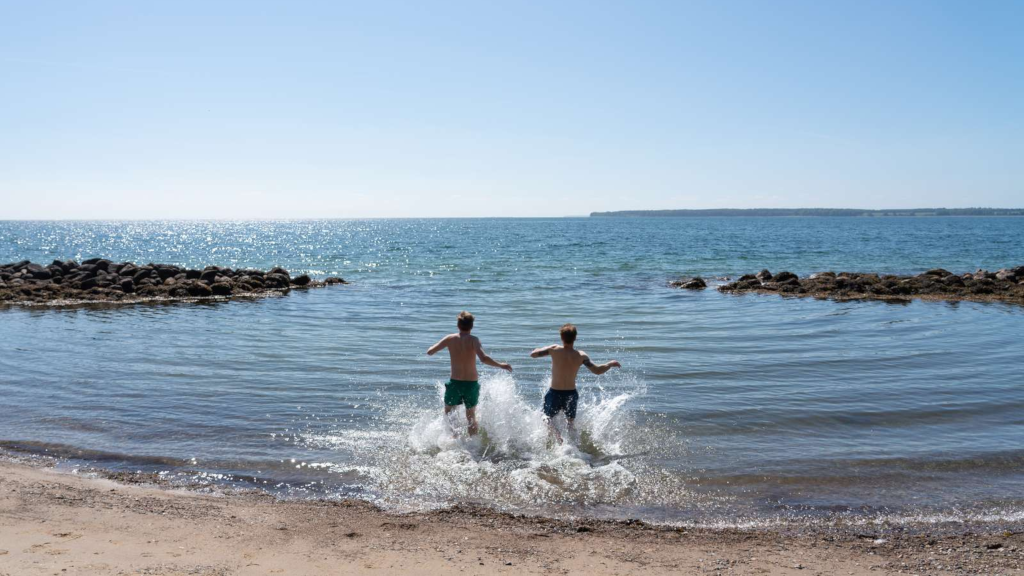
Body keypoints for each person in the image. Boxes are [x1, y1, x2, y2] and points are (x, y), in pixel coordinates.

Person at [530, 323, 621, 444]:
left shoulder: (554, 350)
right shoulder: (581, 356)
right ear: (575, 338)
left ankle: (556, 434)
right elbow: (597, 371)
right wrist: (610, 364)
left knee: (546, 418)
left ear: (561, 337)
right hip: (571, 394)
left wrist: (545, 348)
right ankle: (573, 445)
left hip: (555, 393)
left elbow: (533, 354)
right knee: (570, 423)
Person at [427, 311, 512, 436]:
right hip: (471, 384)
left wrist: (445, 346)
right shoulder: (474, 340)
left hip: (455, 382)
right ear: (472, 326)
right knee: (471, 415)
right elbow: (483, 358)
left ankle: (454, 439)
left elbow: (430, 352)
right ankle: (473, 444)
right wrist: (500, 365)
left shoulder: (450, 339)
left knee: (449, 412)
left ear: (458, 325)